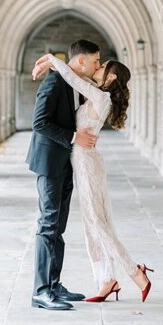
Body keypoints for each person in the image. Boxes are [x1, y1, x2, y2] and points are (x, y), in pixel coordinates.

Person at [31, 47, 153, 304]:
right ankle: (106, 279)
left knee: (97, 224)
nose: (98, 66)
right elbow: (76, 78)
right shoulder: (96, 91)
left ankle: (135, 271)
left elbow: (74, 77)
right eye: (96, 61)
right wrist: (56, 66)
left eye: (102, 65)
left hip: (86, 164)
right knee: (90, 224)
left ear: (111, 78)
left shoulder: (100, 96)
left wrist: (52, 60)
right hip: (79, 162)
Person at [25, 39, 99, 310]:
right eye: (95, 61)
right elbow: (39, 122)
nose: (97, 66)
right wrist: (74, 137)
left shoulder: (72, 82)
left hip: (65, 162)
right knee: (48, 225)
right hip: (49, 163)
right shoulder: (54, 83)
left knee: (58, 226)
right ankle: (41, 291)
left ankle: (54, 285)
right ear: (81, 61)